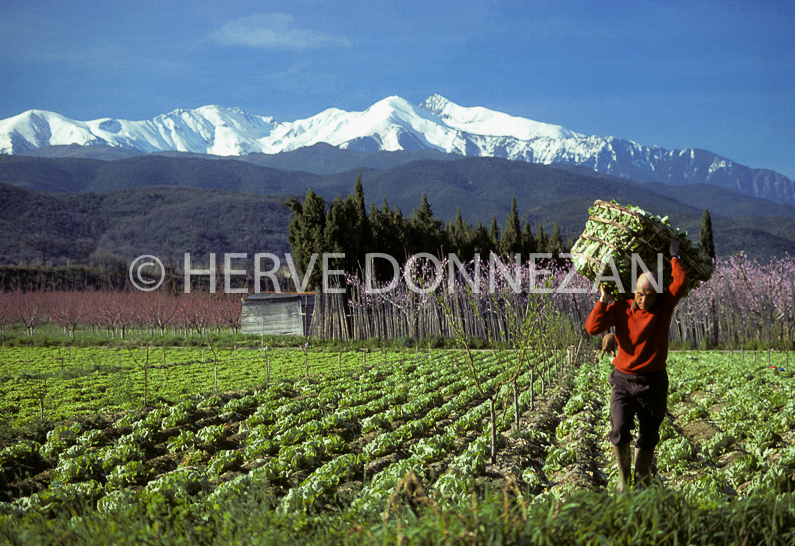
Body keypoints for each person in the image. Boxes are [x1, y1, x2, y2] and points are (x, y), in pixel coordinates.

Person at [585, 238, 686, 492]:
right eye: (640, 294)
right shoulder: (621, 305)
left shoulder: (664, 307)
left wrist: (674, 255)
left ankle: (642, 478)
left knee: (649, 435)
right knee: (619, 428)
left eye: (649, 296)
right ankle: (623, 478)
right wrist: (603, 301)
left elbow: (681, 282)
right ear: (634, 291)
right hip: (623, 379)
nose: (642, 299)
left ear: (658, 295)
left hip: (653, 381)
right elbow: (592, 328)